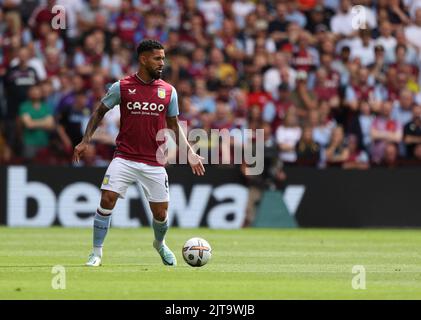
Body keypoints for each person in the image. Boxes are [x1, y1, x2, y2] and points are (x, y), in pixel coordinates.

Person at [72, 39, 205, 267]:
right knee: (107, 198)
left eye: (163, 58)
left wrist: (190, 153)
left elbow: (174, 126)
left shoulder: (168, 91)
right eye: (157, 58)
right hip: (124, 157)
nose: (162, 63)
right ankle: (96, 253)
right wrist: (85, 141)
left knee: (161, 214)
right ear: (143, 59)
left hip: (154, 162)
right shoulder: (121, 87)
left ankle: (159, 244)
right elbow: (99, 112)